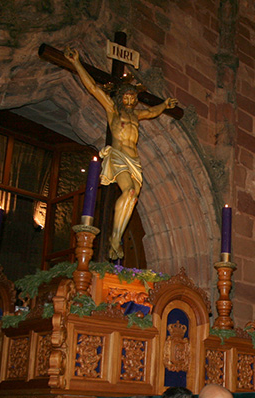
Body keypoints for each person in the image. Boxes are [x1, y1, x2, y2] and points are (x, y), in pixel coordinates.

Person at [64, 47, 178, 260]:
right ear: (120, 97)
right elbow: (93, 88)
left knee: (132, 196)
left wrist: (164, 104)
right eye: (126, 95)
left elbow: (152, 111)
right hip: (117, 156)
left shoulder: (136, 115)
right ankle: (115, 240)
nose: (129, 99)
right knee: (128, 192)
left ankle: (116, 236)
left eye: (132, 96)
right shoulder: (112, 110)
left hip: (134, 160)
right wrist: (76, 63)